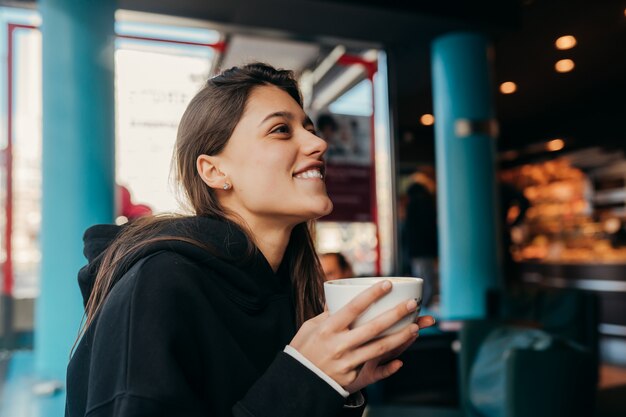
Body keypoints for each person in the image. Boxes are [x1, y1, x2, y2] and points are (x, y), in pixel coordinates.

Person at [66, 63, 435, 417]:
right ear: (214, 170)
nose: (318, 143)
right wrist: (307, 377)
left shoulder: (293, 288)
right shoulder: (159, 283)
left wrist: (340, 386)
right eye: (280, 130)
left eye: (309, 128)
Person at [402, 173, 438, 308]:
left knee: (420, 279)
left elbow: (409, 232)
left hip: (415, 250)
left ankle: (420, 306)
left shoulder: (412, 205)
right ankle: (423, 306)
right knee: (427, 280)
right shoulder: (426, 203)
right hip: (426, 249)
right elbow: (430, 229)